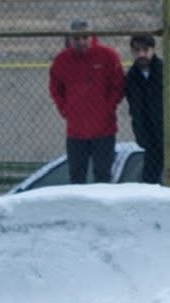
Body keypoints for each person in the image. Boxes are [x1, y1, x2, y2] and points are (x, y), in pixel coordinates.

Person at [48, 19, 124, 185]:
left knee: (103, 177)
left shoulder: (108, 56)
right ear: (70, 39)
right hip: (76, 131)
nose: (81, 42)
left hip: (104, 129)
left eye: (85, 37)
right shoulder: (62, 60)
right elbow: (55, 88)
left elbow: (118, 86)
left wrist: (107, 108)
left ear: (92, 36)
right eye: (77, 38)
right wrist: (66, 110)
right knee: (76, 177)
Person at [125, 33, 170, 187]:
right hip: (152, 140)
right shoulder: (132, 78)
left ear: (153, 50)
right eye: (137, 51)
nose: (141, 54)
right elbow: (135, 112)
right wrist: (142, 137)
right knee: (149, 182)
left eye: (145, 50)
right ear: (132, 52)